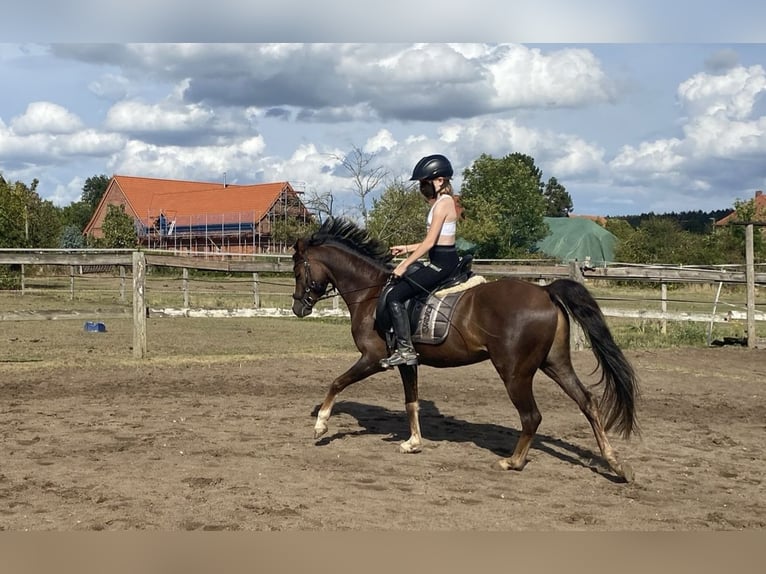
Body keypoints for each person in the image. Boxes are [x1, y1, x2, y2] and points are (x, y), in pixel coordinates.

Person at [380, 154, 460, 369]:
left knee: (395, 296)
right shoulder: (441, 203)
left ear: (440, 181)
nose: (422, 187)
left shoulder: (443, 204)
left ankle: (406, 350)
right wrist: (406, 248)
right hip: (443, 257)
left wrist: (404, 264)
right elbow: (433, 241)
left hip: (442, 264)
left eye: (425, 183)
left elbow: (429, 243)